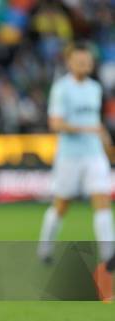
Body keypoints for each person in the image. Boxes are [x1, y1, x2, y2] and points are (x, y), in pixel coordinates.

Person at [37, 43, 114, 302]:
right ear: (70, 63)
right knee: (61, 206)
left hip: (94, 155)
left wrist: (107, 146)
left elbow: (97, 124)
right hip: (69, 157)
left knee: (102, 203)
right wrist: (87, 130)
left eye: (87, 62)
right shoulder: (61, 89)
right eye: (79, 61)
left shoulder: (95, 88)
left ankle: (108, 256)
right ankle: (45, 248)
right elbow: (55, 123)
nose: (84, 65)